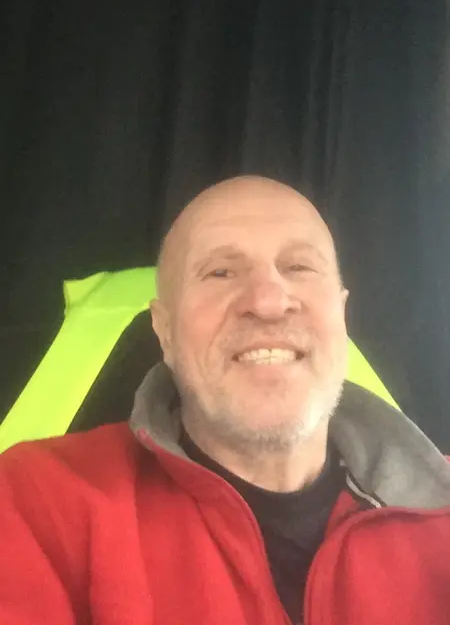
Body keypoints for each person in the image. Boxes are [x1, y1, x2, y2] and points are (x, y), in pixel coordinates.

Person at [1, 175, 450, 625]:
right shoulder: (35, 502)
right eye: (220, 272)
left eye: (299, 267)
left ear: (341, 313)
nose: (269, 302)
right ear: (164, 331)